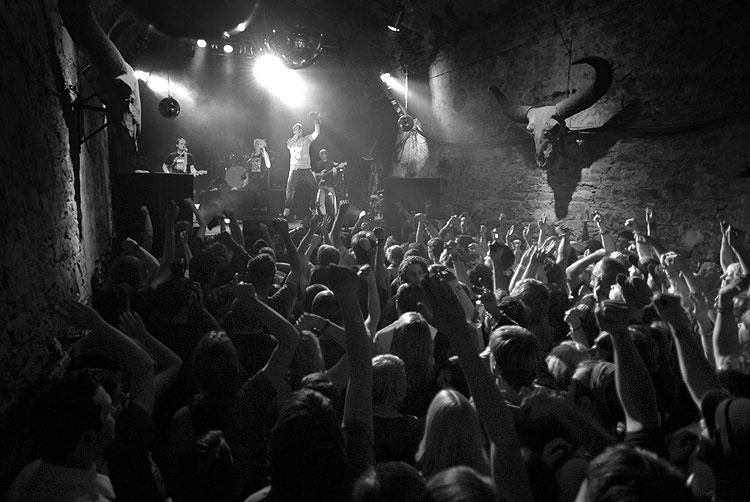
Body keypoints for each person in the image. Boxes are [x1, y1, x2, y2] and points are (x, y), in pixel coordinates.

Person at [283, 114, 321, 218]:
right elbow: (289, 146)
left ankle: (313, 206)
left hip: (306, 169)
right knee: (290, 188)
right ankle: (287, 207)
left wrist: (316, 122)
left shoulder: (307, 139)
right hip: (295, 168)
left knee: (315, 187)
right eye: (297, 128)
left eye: (300, 128)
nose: (299, 130)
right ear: (294, 131)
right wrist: (295, 135)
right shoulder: (291, 141)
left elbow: (317, 133)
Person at [313, 148, 346, 215]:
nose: (323, 155)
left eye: (324, 153)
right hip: (321, 185)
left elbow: (334, 176)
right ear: (319, 155)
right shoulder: (317, 164)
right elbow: (313, 173)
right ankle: (323, 216)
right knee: (321, 203)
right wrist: (319, 174)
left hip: (329, 185)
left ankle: (335, 214)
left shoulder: (331, 164)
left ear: (327, 154)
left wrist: (334, 172)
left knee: (334, 200)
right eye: (321, 153)